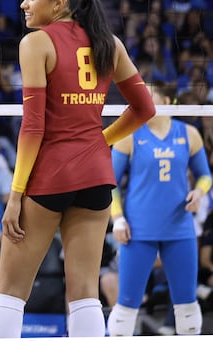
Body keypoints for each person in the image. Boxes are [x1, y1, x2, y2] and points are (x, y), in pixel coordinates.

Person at [0, 0, 156, 338]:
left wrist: (15, 195)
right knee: (85, 294)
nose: (23, 4)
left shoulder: (35, 43)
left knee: (10, 292)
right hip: (95, 177)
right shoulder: (109, 42)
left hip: (50, 175)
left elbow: (32, 127)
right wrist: (101, 141)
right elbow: (145, 109)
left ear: (58, 3)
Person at [106, 81, 209, 336]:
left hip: (179, 228)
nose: (139, 102)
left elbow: (205, 175)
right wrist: (117, 219)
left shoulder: (188, 134)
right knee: (126, 307)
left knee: (187, 308)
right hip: (138, 230)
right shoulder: (128, 135)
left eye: (147, 96)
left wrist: (199, 191)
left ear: (164, 103)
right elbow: (109, 183)